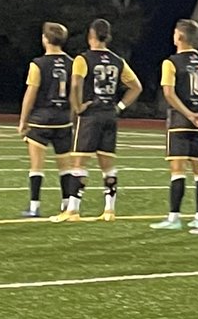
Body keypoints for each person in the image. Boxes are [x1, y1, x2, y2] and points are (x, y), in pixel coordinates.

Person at [53, 18, 142, 222]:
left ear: (91, 35)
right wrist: (119, 107)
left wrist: (77, 107)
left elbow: (75, 85)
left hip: (90, 115)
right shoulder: (118, 60)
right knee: (107, 164)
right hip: (109, 115)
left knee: (79, 163)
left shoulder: (83, 59)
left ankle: (73, 209)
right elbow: (136, 86)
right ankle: (109, 209)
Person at [150, 20, 198, 231]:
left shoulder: (171, 62)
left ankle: (174, 217)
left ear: (180, 37)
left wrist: (189, 114)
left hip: (180, 122)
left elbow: (169, 93)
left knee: (177, 171)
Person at [16, 22, 74, 218]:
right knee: (65, 166)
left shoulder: (38, 64)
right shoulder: (73, 63)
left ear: (45, 39)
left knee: (36, 166)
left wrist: (23, 121)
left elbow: (30, 94)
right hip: (64, 120)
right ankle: (67, 205)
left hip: (41, 120)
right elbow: (76, 94)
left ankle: (34, 207)